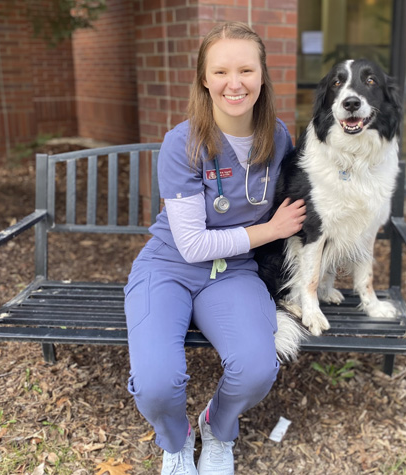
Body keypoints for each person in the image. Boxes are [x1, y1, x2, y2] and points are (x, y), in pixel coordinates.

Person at [124, 22, 306, 475]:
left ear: (262, 75)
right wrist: (271, 230)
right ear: (204, 79)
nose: (234, 83)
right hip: (169, 266)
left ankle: (217, 427)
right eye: (221, 71)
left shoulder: (278, 137)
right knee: (155, 384)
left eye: (246, 69)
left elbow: (309, 194)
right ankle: (177, 440)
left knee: (257, 369)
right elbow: (191, 244)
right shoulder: (181, 142)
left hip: (232, 272)